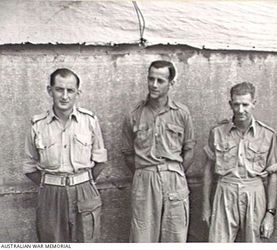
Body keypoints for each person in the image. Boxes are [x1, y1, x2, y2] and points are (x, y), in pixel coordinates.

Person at [23, 68, 107, 242]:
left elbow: (100, 161)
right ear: (50, 90)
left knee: (86, 242)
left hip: (84, 191)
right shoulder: (38, 125)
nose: (64, 96)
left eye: (70, 91)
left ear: (78, 93)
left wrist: (83, 183)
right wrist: (52, 185)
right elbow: (29, 167)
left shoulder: (89, 121)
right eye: (59, 89)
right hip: (51, 193)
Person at [121, 60, 195, 242]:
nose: (154, 85)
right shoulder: (134, 114)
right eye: (151, 79)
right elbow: (128, 154)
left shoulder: (181, 113)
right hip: (145, 178)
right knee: (142, 238)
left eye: (160, 81)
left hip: (174, 179)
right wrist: (145, 173)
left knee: (175, 236)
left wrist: (174, 173)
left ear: (171, 83)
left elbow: (189, 150)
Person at [202, 82, 277, 242]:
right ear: (230, 104)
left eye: (245, 104)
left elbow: (273, 176)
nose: (240, 110)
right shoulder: (217, 132)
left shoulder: (267, 134)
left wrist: (270, 213)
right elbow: (208, 170)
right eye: (236, 104)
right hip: (225, 190)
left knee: (255, 242)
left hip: (255, 190)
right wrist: (206, 205)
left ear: (254, 104)